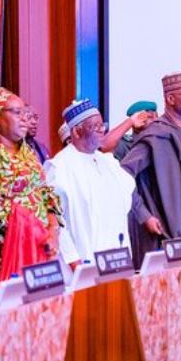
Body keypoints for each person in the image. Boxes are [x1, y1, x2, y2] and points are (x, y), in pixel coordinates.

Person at [0, 87, 74, 294]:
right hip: (2, 258)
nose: (25, 118)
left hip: (39, 251)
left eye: (25, 112)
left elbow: (47, 195)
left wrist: (53, 230)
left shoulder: (28, 154)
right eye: (16, 112)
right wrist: (43, 236)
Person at [121, 70, 181, 267]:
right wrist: (144, 215)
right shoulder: (156, 134)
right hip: (167, 235)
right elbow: (121, 175)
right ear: (170, 98)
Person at [43, 99, 135, 262]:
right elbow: (56, 221)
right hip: (82, 263)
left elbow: (125, 199)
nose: (102, 131)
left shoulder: (108, 162)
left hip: (115, 260)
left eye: (102, 125)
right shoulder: (59, 168)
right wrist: (73, 261)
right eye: (95, 127)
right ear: (77, 132)